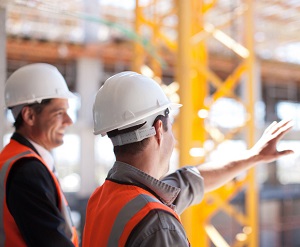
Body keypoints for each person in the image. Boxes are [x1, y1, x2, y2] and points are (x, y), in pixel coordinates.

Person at [82, 71, 293, 247]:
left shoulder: (105, 197)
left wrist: (252, 157)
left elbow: (190, 180)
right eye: (171, 127)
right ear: (158, 130)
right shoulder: (157, 222)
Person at [0, 63, 79, 247]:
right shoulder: (27, 171)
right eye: (59, 113)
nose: (69, 121)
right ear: (29, 116)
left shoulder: (13, 159)